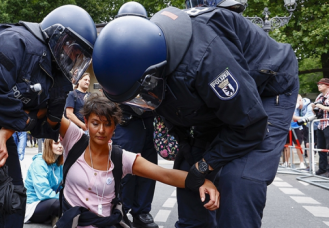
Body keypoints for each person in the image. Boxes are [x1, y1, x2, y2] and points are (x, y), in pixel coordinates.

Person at [92, 2, 298, 228]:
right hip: (216, 102)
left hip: (266, 91)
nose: (141, 105)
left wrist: (205, 166)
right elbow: (180, 127)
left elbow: (250, 124)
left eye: (138, 97)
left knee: (239, 180)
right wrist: (197, 167)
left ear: (153, 76)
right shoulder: (150, 70)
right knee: (187, 174)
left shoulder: (205, 60)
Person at [0, 5, 97, 227]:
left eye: (80, 56)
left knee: (13, 199)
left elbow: (48, 122)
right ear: (58, 36)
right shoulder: (15, 42)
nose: (74, 58)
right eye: (74, 50)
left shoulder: (59, 75)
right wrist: (28, 118)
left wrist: (8, 130)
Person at [56, 93, 219, 228]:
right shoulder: (73, 138)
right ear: (86, 122)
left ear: (115, 127)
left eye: (107, 124)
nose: (101, 130)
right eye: (95, 123)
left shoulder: (121, 157)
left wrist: (201, 181)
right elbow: (49, 110)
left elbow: (165, 174)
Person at [110, 2, 159, 228]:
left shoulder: (150, 46)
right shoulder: (114, 48)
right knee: (125, 171)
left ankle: (142, 211)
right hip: (127, 122)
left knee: (148, 168)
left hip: (147, 120)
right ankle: (122, 210)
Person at [24, 138, 64, 226]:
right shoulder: (39, 164)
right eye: (56, 143)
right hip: (33, 205)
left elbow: (62, 187)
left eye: (62, 143)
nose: (60, 146)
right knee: (59, 203)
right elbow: (43, 193)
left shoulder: (59, 163)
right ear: (48, 146)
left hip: (49, 201)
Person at [311, 78, 329, 176]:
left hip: (328, 123)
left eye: (321, 84)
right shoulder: (319, 96)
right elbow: (317, 111)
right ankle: (322, 168)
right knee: (320, 147)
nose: (319, 86)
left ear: (327, 85)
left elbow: (324, 108)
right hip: (320, 124)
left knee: (328, 148)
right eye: (318, 84)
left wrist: (322, 107)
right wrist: (314, 108)